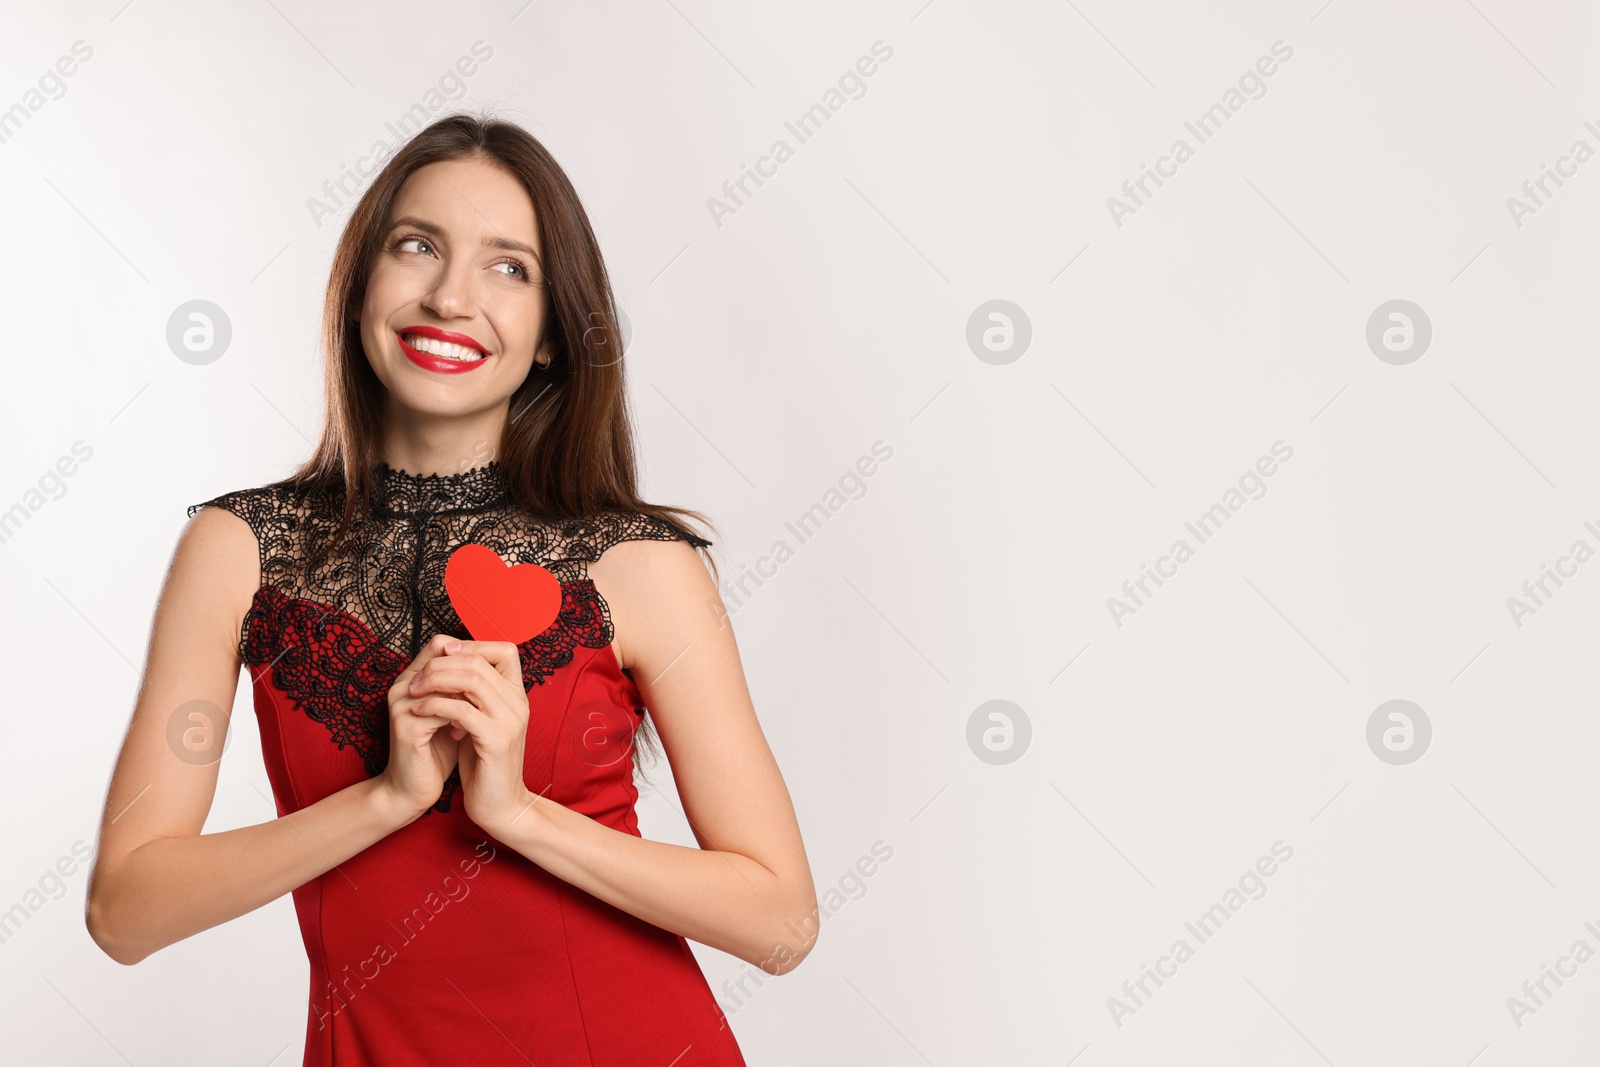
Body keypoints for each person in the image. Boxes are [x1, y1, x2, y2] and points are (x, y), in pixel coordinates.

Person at [85, 112, 817, 1065]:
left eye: (509, 267)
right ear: (360, 289)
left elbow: (782, 921)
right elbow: (124, 911)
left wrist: (515, 813)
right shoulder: (239, 550)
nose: (450, 297)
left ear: (553, 333)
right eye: (417, 246)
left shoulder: (640, 564)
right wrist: (386, 797)